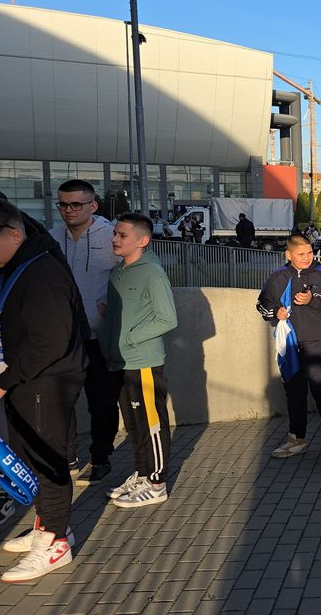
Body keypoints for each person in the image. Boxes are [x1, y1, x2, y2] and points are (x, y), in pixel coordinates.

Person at [0, 197, 87, 582]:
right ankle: (49, 526)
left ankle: (56, 543)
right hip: (27, 379)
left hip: (47, 381)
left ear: (15, 235)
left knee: (47, 461)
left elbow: (50, 343)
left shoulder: (41, 274)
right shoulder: (19, 265)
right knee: (29, 458)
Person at [100, 213, 178, 508]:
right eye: (115, 233)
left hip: (143, 362)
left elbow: (167, 318)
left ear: (142, 241)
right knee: (134, 424)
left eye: (122, 235)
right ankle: (142, 474)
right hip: (120, 362)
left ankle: (157, 483)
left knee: (152, 423)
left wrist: (130, 337)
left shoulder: (152, 273)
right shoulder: (118, 271)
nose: (114, 239)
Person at [48, 180, 119, 486]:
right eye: (63, 204)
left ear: (93, 205)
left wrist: (111, 308)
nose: (69, 210)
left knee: (101, 401)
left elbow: (132, 270)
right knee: (59, 399)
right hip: (63, 336)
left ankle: (100, 457)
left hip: (99, 337)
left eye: (76, 204)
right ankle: (67, 456)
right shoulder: (52, 237)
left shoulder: (111, 236)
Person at [256, 235, 321, 460]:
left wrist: (312, 299)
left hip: (320, 342)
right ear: (288, 254)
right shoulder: (278, 277)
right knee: (294, 393)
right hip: (290, 345)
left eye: (310, 252)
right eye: (301, 254)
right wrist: (275, 312)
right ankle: (296, 439)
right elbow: (262, 305)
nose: (307, 258)